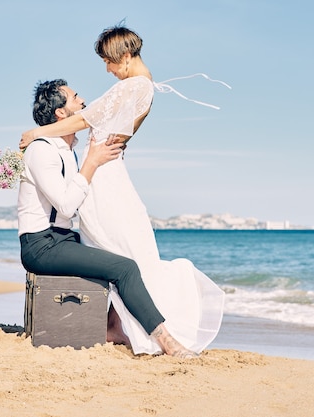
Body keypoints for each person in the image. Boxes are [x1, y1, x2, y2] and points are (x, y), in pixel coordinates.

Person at [20, 25, 225, 355]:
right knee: (125, 249)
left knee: (125, 250)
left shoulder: (133, 86)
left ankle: (131, 328)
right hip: (104, 172)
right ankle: (119, 327)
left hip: (101, 175)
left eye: (109, 61)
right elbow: (117, 132)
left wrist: (37, 131)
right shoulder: (146, 89)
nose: (107, 69)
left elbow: (83, 120)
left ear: (126, 57)